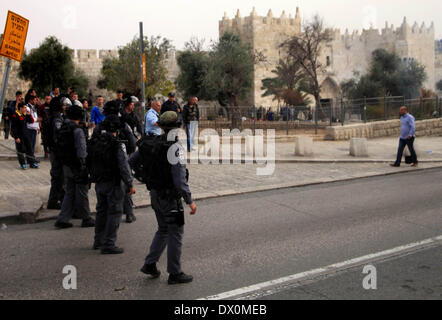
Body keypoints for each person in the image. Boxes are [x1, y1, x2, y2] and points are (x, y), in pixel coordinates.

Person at [130, 111, 197, 285]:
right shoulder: (175, 148)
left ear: (160, 126)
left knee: (163, 229)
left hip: (155, 194)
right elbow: (180, 179)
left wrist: (143, 177)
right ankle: (175, 273)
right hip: (170, 197)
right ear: (179, 127)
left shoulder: (151, 143)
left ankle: (150, 264)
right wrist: (189, 200)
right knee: (175, 233)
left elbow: (132, 161)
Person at [88, 115, 136, 254]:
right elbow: (123, 166)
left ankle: (98, 240)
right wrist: (130, 183)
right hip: (114, 183)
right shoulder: (117, 144)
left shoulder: (95, 142)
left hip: (100, 182)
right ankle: (109, 243)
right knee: (115, 212)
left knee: (101, 211)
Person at [92, 100, 137, 223]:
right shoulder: (122, 125)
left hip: (102, 164)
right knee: (125, 184)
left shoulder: (100, 126)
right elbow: (132, 143)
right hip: (120, 160)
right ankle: (129, 213)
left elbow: (92, 145)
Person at [54, 105, 95, 229]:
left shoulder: (63, 127)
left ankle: (63, 218)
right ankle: (86, 217)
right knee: (82, 192)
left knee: (70, 192)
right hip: (77, 165)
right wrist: (84, 165)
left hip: (66, 164)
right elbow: (82, 150)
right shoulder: (77, 130)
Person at [46, 97, 66, 210]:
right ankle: (54, 201)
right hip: (57, 152)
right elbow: (58, 137)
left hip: (54, 151)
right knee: (58, 177)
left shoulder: (53, 117)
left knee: (57, 177)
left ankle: (56, 200)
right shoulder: (57, 119)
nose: (64, 107)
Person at [10, 103, 38, 170]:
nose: (25, 109)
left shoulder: (25, 115)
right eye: (24, 107)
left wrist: (29, 114)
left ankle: (32, 162)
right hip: (19, 136)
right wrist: (16, 137)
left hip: (26, 135)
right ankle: (22, 163)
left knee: (30, 149)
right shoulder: (15, 116)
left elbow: (31, 121)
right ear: (20, 108)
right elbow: (13, 128)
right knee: (20, 150)